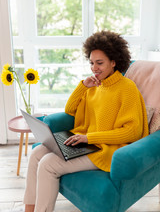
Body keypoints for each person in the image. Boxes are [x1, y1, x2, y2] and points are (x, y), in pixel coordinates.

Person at [24, 30, 149, 212]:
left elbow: (133, 131)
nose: (94, 68)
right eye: (91, 63)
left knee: (48, 163)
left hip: (107, 149)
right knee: (36, 154)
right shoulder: (95, 85)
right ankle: (28, 209)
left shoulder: (127, 88)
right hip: (86, 143)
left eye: (100, 63)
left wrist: (89, 138)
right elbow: (70, 110)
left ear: (114, 62)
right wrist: (83, 86)